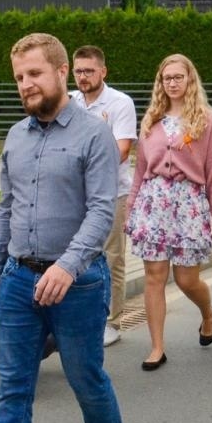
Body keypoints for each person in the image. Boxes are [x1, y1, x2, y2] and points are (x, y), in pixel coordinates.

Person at [0, 33, 127, 423]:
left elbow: (103, 209)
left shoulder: (93, 134)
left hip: (79, 284)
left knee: (86, 379)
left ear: (62, 73)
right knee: (14, 386)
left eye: (35, 73)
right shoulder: (15, 137)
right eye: (19, 76)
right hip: (20, 282)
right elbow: (6, 209)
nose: (26, 84)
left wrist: (68, 265)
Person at [128, 52, 212, 371]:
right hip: (153, 203)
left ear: (190, 79)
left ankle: (208, 313)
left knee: (186, 279)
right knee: (154, 277)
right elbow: (140, 169)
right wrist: (130, 209)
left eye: (177, 77)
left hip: (189, 205)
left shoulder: (207, 120)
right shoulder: (152, 119)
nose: (172, 83)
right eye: (166, 78)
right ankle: (157, 347)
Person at [71, 44, 138, 348]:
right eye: (78, 71)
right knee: (76, 254)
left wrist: (83, 164)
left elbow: (122, 149)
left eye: (89, 71)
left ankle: (111, 321)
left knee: (111, 257)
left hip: (111, 193)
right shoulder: (69, 102)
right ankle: (79, 317)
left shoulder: (120, 103)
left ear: (103, 71)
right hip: (74, 192)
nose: (82, 77)